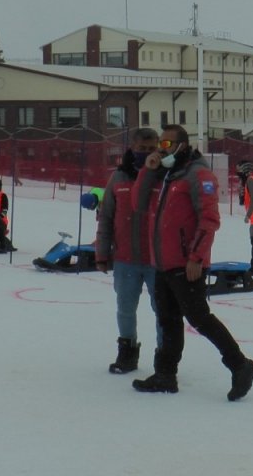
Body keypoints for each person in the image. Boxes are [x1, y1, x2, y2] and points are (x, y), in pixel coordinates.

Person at [130, 125, 253, 401]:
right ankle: (165, 374)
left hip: (186, 263)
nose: (161, 148)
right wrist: (147, 170)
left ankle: (240, 365)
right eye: (160, 143)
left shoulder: (198, 175)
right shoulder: (166, 174)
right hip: (163, 263)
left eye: (167, 143)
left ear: (183, 145)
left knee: (200, 318)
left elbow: (210, 220)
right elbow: (137, 204)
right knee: (168, 320)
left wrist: (197, 258)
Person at [95, 128, 161, 375]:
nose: (145, 153)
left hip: (159, 260)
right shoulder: (118, 178)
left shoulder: (165, 177)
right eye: (141, 149)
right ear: (131, 148)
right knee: (125, 309)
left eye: (150, 149)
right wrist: (102, 253)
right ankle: (127, 352)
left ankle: (163, 358)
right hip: (126, 260)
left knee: (162, 312)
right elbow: (106, 217)